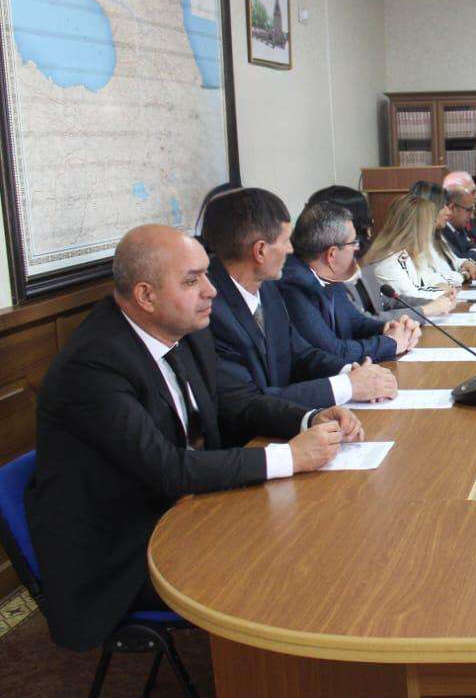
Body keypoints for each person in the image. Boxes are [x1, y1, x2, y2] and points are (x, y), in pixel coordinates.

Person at [27, 225, 363, 651]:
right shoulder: (94, 365)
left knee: (319, 524)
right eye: (192, 281)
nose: (211, 291)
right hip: (123, 550)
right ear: (146, 296)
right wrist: (290, 458)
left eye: (207, 273)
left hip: (187, 508)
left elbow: (234, 404)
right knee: (289, 563)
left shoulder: (185, 328)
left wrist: (310, 418)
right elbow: (167, 468)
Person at [203, 187, 398, 408]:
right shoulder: (211, 310)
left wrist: (351, 372)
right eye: (286, 240)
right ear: (260, 251)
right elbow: (248, 401)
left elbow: (301, 354)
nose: (290, 249)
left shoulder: (267, 288)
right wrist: (347, 386)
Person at [279, 202, 421, 365]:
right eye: (353, 243)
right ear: (332, 254)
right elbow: (333, 351)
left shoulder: (327, 273)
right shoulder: (295, 285)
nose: (356, 248)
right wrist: (391, 343)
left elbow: (353, 321)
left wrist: (389, 328)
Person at [303, 185, 418, 323]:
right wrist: (427, 310)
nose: (370, 224)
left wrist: (432, 306)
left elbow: (386, 302)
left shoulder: (361, 260)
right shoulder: (322, 273)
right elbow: (361, 321)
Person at [363, 191, 471, 306]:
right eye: (431, 222)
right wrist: (441, 290)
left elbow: (426, 280)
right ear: (416, 228)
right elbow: (411, 298)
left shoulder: (407, 254)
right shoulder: (389, 262)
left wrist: (443, 286)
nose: (433, 226)